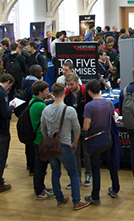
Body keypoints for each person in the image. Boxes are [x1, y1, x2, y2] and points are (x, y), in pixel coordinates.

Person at [41, 82, 91, 210]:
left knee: (55, 172)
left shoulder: (46, 110)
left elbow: (43, 130)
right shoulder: (69, 110)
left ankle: (60, 199)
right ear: (64, 93)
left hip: (52, 147)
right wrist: (74, 143)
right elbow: (77, 130)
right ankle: (76, 201)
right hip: (65, 145)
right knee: (73, 173)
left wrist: (49, 139)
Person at [83, 79, 121, 204]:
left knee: (95, 169)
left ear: (89, 91)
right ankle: (115, 188)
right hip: (107, 139)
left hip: (95, 141)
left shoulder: (89, 106)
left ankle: (95, 196)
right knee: (111, 165)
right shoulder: (109, 103)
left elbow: (86, 127)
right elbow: (113, 118)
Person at [25, 80, 55, 200]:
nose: (48, 93)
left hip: (37, 139)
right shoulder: (40, 105)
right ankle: (39, 190)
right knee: (41, 166)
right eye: (46, 91)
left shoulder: (34, 101)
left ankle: (40, 186)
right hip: (40, 139)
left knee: (40, 164)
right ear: (40, 92)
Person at [64, 72, 92, 188]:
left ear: (77, 82)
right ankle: (76, 178)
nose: (69, 87)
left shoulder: (86, 92)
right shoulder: (66, 94)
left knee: (87, 153)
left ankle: (88, 175)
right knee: (75, 153)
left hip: (85, 126)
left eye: (71, 84)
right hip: (72, 128)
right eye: (68, 85)